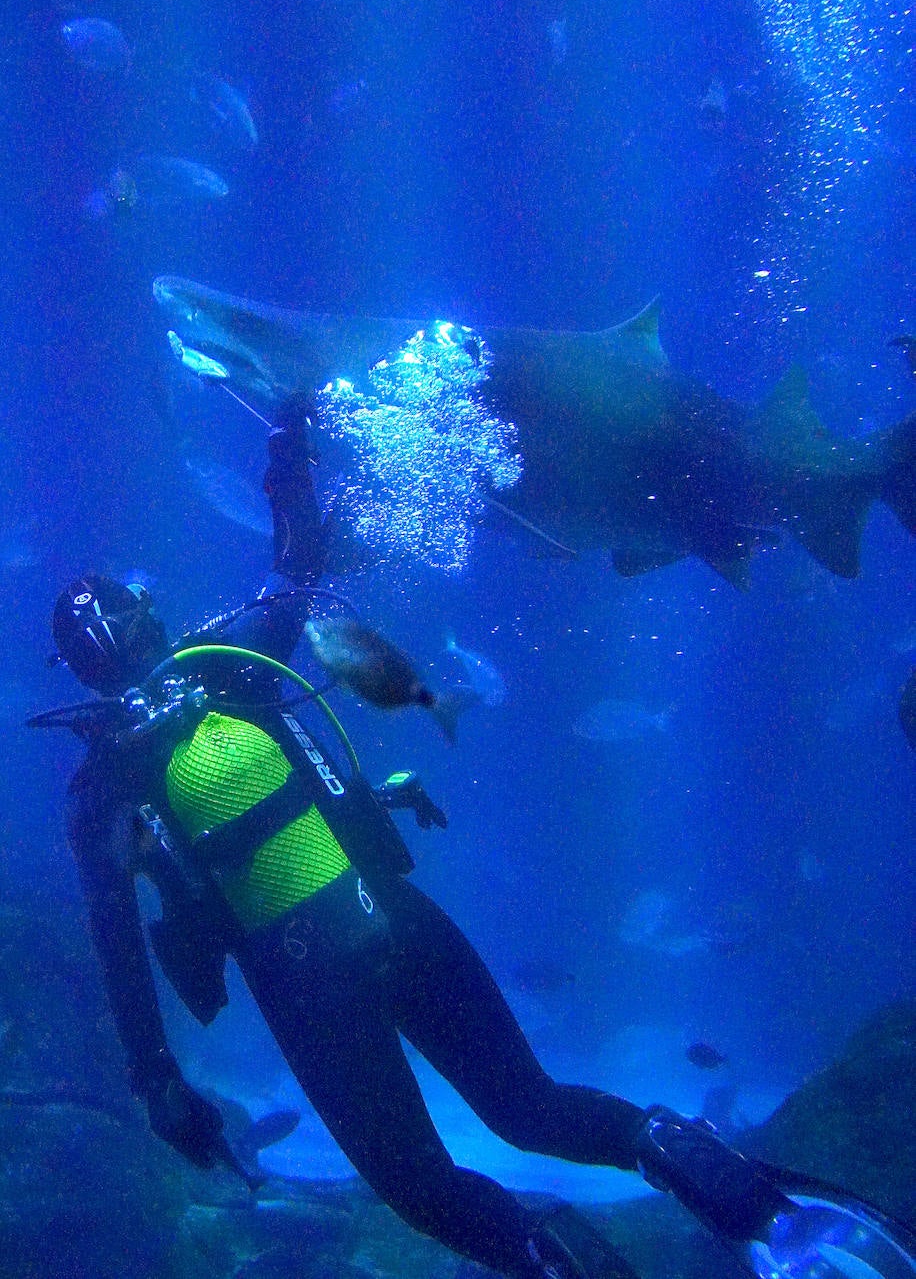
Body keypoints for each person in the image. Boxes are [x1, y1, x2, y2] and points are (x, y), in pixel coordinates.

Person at [40, 394, 915, 1279]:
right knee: (532, 1107)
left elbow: (119, 943)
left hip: (307, 985)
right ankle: (759, 1207)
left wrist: (156, 1079)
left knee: (422, 1187)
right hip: (396, 918)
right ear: (148, 620)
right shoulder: (237, 672)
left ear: (78, 672)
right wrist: (286, 450)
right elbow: (296, 563)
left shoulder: (102, 786)